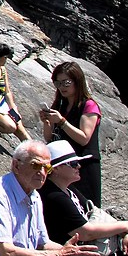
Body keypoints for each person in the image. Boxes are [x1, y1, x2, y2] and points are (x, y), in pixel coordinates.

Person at [41, 63, 101, 207]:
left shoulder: (88, 105)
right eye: (58, 83)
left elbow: (84, 138)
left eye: (66, 82)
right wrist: (47, 122)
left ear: (77, 81)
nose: (62, 87)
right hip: (63, 166)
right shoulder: (60, 106)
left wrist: (62, 121)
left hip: (84, 165)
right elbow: (49, 138)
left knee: (87, 206)